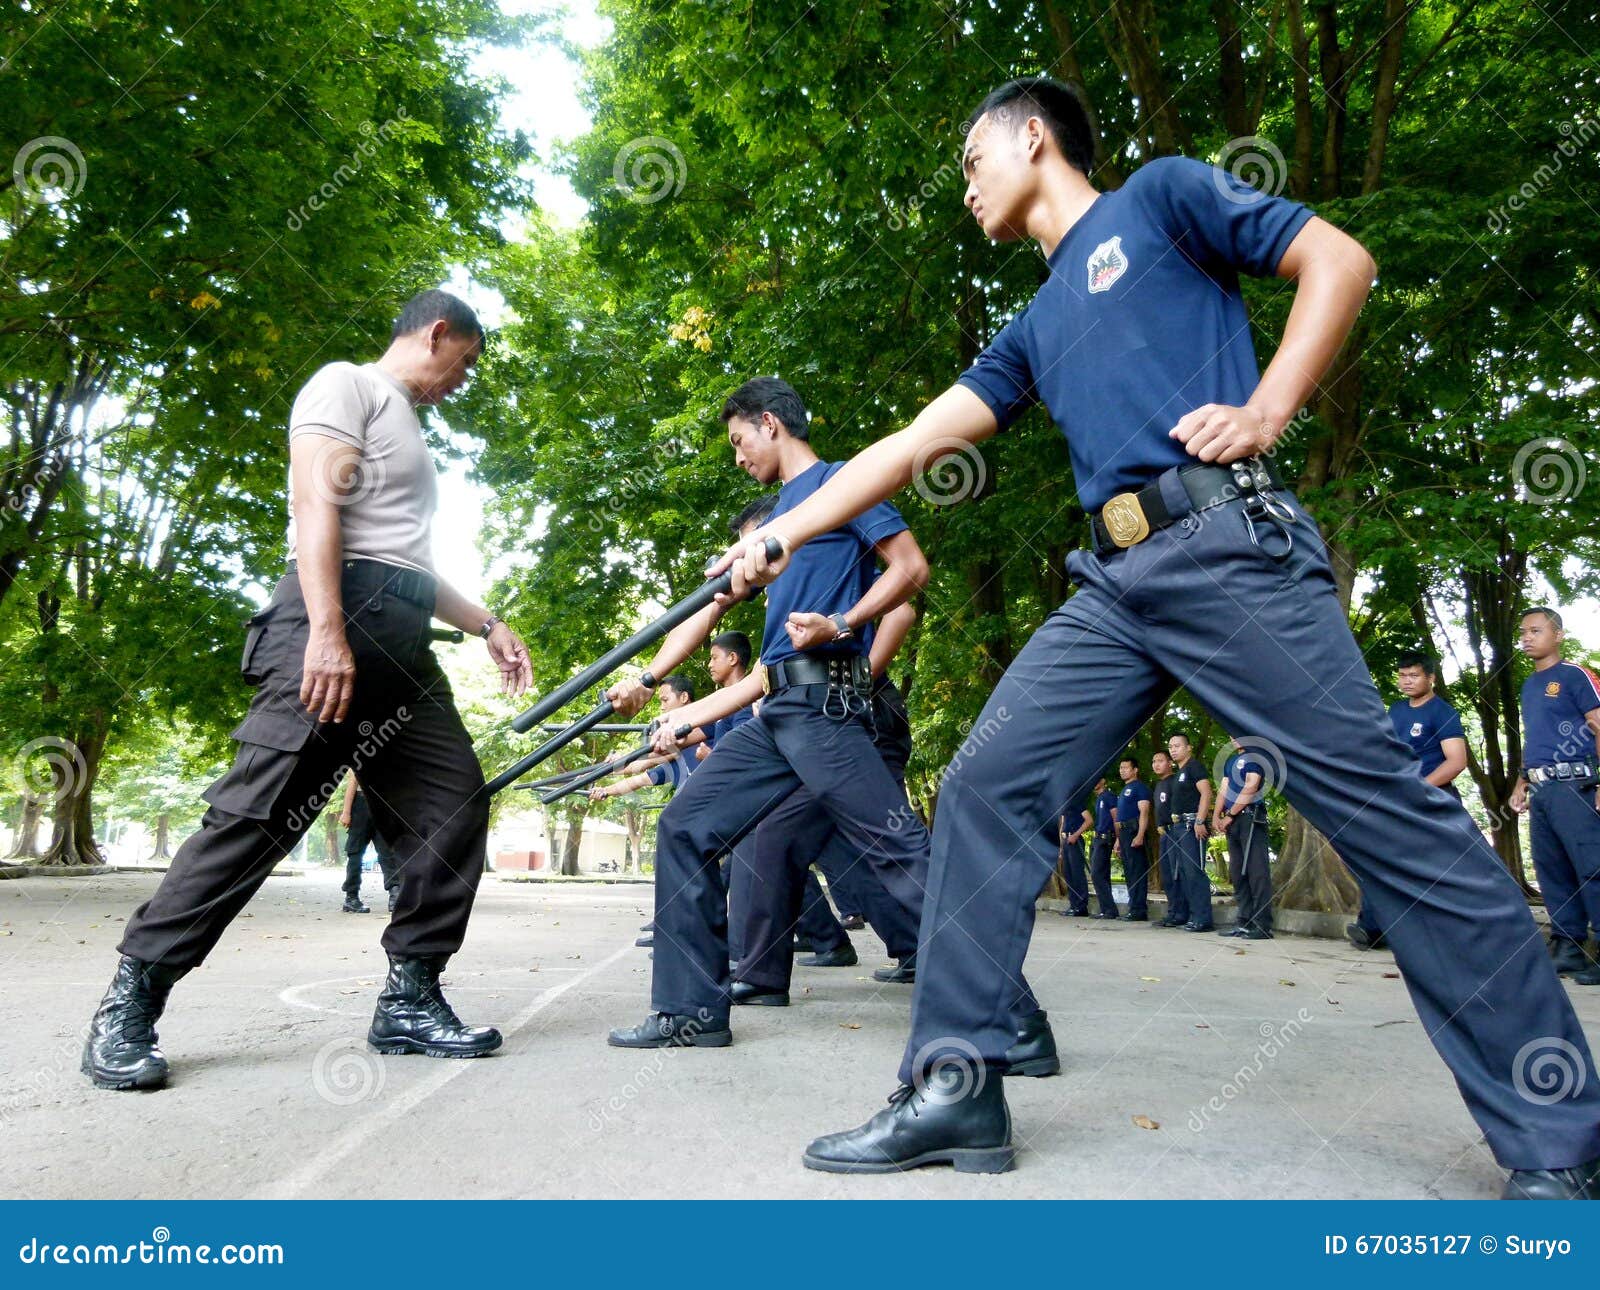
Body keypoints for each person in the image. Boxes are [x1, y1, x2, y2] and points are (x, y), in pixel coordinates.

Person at [716, 78, 1600, 1197]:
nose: (967, 183)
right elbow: (919, 437)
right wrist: (781, 534)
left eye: (972, 155)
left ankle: (1561, 1135)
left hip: (1226, 546)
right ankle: (954, 1088)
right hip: (1115, 585)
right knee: (987, 785)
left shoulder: (1162, 200)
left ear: (1032, 136)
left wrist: (1269, 409)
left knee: (1386, 816)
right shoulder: (1033, 323)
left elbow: (1341, 259)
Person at [82, 290, 533, 1091]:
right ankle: (131, 1000)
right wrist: (327, 631)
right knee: (257, 819)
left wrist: (485, 621)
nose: (459, 382)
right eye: (462, 364)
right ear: (437, 334)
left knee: (452, 802)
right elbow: (314, 504)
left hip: (403, 644)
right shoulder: (346, 386)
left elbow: (407, 562)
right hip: (333, 621)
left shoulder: (409, 426)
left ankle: (410, 996)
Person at [606, 376, 1055, 1069]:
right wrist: (648, 681)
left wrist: (842, 623)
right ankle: (689, 1010)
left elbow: (910, 570)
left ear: (769, 423)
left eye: (737, 442)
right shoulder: (770, 522)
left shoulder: (844, 484)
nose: (736, 457)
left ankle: (1017, 1022)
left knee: (900, 857)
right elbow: (709, 611)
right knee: (685, 826)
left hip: (827, 705)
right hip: (777, 710)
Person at [1348, 651, 1469, 949]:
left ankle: (1442, 935)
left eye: (1414, 675)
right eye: (1402, 675)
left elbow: (1456, 761)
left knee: (1433, 868)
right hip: (1395, 800)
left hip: (1432, 800)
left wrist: (1420, 788)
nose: (1407, 681)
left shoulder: (1443, 713)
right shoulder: (1397, 710)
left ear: (1431, 678)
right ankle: (1372, 928)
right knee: (1380, 860)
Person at [1509, 608, 1600, 984]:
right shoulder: (1529, 685)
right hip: (1542, 789)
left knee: (1592, 868)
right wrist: (1521, 781)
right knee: (1552, 870)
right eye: (1523, 632)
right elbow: (1537, 739)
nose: (1527, 637)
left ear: (1558, 635)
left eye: (1536, 630)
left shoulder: (1575, 675)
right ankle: (1568, 948)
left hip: (1575, 786)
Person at [1214, 739, 1272, 939]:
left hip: (1251, 818)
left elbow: (1251, 785)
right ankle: (1244, 921)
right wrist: (1216, 816)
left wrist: (1230, 814)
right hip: (1233, 822)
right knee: (1238, 872)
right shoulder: (1230, 761)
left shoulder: (1255, 757)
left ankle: (1263, 924)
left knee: (1257, 871)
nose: (1233, 738)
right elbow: (1224, 789)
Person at [1163, 734, 1211, 930]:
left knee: (1194, 871)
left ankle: (1203, 919)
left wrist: (1200, 820)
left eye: (1177, 746)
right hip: (1178, 826)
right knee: (1182, 871)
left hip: (1192, 825)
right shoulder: (1179, 773)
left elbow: (1207, 793)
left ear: (1188, 748)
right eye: (1171, 747)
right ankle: (1193, 915)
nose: (1173, 750)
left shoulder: (1194, 767)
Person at [338, 772, 398, 914]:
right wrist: (346, 812)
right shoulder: (362, 755)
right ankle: (351, 897)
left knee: (387, 852)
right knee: (355, 853)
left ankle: (395, 895)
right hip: (361, 805)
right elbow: (352, 782)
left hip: (384, 805)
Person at [1112, 756, 1151, 920]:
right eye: (1121, 768)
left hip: (1134, 830)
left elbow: (1144, 812)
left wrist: (1140, 834)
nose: (1122, 770)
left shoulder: (1139, 787)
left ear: (1135, 770)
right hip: (1124, 833)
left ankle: (1139, 910)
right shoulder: (1123, 790)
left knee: (1137, 871)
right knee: (1128, 871)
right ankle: (1133, 907)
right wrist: (1118, 840)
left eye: (1126, 767)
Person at [1087, 777, 1119, 918]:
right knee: (1102, 873)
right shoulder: (1099, 798)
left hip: (1106, 837)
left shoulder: (1109, 796)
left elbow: (1115, 816)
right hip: (1097, 837)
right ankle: (1106, 909)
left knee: (1097, 873)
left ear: (1104, 781)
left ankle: (1110, 909)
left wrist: (1118, 839)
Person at [1057, 808, 1092, 917]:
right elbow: (1063, 823)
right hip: (1066, 839)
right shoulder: (1066, 805)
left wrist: (1076, 835)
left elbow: (1089, 820)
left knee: (1077, 874)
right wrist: (1061, 845)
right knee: (1068, 874)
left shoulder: (1077, 803)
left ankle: (1081, 907)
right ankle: (1073, 905)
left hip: (1075, 840)